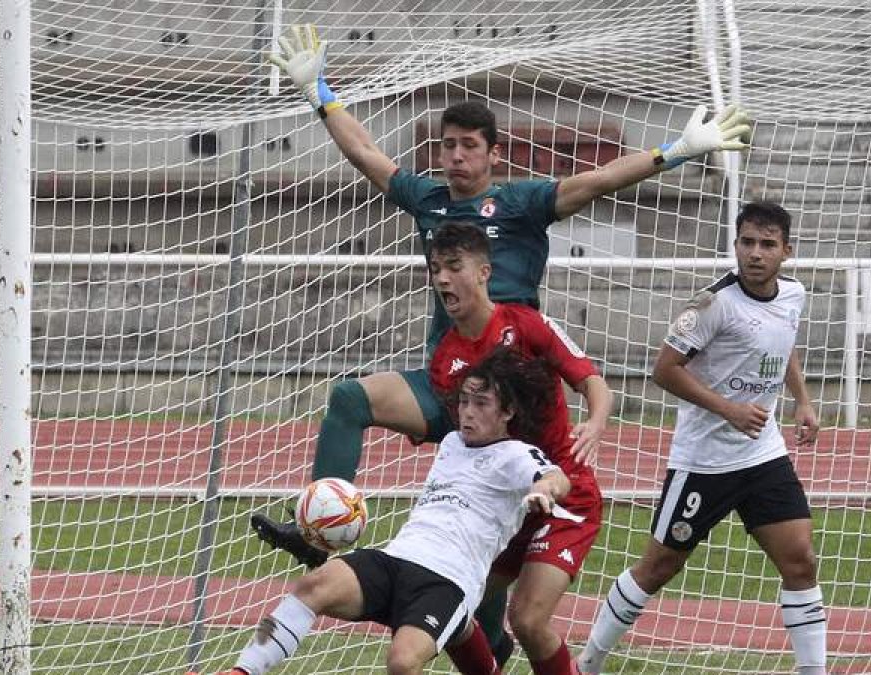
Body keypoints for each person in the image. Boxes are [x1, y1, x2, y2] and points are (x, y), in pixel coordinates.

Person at [259, 22, 748, 664]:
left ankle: (491, 635)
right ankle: (322, 523)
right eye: (447, 146)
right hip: (447, 383)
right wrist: (319, 92)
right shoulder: (428, 199)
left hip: (511, 399)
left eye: (468, 146)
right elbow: (367, 156)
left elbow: (593, 183)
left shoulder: (519, 204)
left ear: (493, 155)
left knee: (497, 543)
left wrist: (674, 152)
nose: (454, 157)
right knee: (351, 397)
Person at [260, 223, 613, 675]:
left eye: (453, 267)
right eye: (435, 269)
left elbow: (590, 379)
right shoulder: (448, 356)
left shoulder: (525, 324)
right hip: (507, 499)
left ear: (484, 272)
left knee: (526, 619)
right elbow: (462, 435)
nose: (442, 279)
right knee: (459, 591)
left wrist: (597, 421)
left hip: (564, 494)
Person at [575, 202, 826, 675]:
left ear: (786, 252)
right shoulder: (712, 304)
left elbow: (784, 340)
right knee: (658, 568)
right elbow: (664, 370)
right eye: (747, 242)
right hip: (704, 462)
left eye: (767, 244)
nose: (755, 253)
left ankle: (813, 670)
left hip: (762, 455)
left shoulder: (793, 295)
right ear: (735, 245)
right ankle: (587, 664)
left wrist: (802, 400)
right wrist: (727, 408)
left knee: (801, 560)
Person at [215, 348, 571, 675]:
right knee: (312, 586)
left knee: (402, 661)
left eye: (481, 403)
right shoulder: (451, 443)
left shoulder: (516, 455)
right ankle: (241, 672)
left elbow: (557, 478)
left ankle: (460, 622)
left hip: (447, 581)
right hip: (397, 559)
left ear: (507, 412)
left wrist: (543, 488)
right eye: (464, 401)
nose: (468, 412)